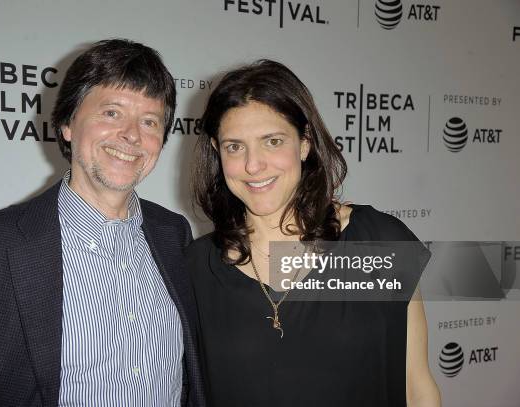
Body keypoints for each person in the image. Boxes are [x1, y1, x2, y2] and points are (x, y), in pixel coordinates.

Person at [0, 39, 204, 406]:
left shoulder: (174, 234)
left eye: (149, 121)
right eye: (111, 113)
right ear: (67, 124)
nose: (132, 135)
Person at [188, 59, 441, 406]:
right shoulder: (196, 268)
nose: (252, 164)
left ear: (304, 143)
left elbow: (417, 386)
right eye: (235, 146)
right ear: (217, 153)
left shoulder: (377, 242)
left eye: (273, 141)